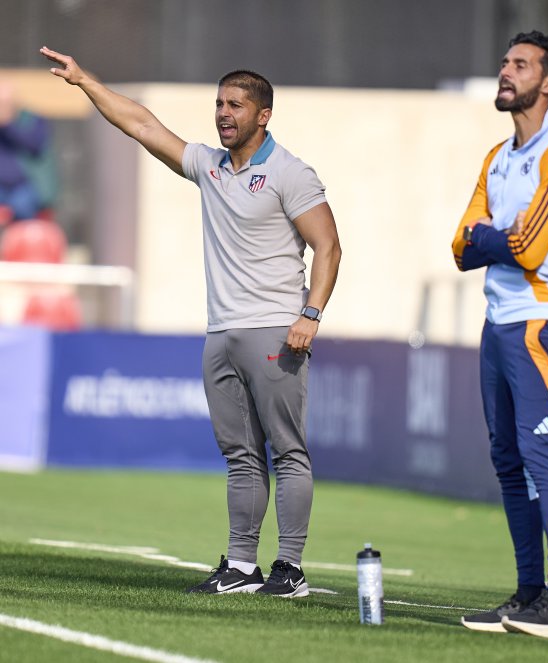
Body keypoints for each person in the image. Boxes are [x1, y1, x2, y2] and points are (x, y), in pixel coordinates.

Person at [40, 46, 341, 598]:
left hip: (276, 329)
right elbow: (140, 123)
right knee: (240, 457)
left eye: (236, 105)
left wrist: (310, 315)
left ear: (263, 115)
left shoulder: (289, 173)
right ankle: (243, 567)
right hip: (220, 334)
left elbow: (328, 246)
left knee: (288, 451)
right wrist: (86, 81)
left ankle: (290, 568)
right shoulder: (210, 166)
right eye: (219, 104)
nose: (224, 113)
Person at [451, 31, 548, 640]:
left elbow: (532, 248)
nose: (505, 72)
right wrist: (492, 241)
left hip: (541, 319)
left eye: (520, 65)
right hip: (497, 319)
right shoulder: (498, 156)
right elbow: (460, 246)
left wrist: (493, 239)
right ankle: (530, 594)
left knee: (541, 455)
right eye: (506, 63)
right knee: (509, 461)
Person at [0, 79, 54, 223]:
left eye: (5, 102)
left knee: (23, 208)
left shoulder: (31, 119)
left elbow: (34, 145)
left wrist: (7, 125)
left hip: (25, 186)